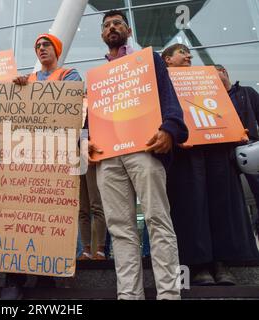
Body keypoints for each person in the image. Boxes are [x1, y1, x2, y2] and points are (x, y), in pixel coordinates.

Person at [88, 10, 188, 300]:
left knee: (158, 220)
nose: (112, 28)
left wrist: (170, 128)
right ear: (102, 35)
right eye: (106, 25)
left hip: (144, 148)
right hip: (108, 157)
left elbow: (168, 95)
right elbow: (90, 120)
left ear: (128, 31)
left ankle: (169, 294)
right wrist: (87, 141)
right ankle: (129, 295)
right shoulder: (99, 76)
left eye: (117, 23)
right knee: (120, 229)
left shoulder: (148, 59)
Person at [162, 45, 259, 286]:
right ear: (167, 59)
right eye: (182, 52)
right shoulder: (162, 84)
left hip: (216, 149)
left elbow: (220, 111)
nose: (188, 56)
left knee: (220, 205)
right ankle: (199, 265)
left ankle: (221, 263)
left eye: (189, 54)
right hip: (185, 153)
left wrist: (237, 130)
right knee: (192, 208)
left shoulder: (206, 80)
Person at [2, 33, 82, 300]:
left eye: (46, 45)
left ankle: (46, 277)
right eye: (37, 46)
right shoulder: (27, 80)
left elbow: (70, 107)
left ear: (56, 50)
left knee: (47, 214)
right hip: (27, 156)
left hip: (56, 156)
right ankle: (14, 277)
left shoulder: (70, 75)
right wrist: (19, 89)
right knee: (20, 215)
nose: (41, 48)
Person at [214, 63, 259, 218]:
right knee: (229, 194)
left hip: (250, 149)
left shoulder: (247, 92)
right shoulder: (212, 100)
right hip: (225, 152)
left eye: (213, 74)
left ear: (223, 72)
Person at [77, 163, 107, 260]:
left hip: (91, 158)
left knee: (96, 205)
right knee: (82, 209)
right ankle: (86, 251)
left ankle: (101, 251)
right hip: (76, 159)